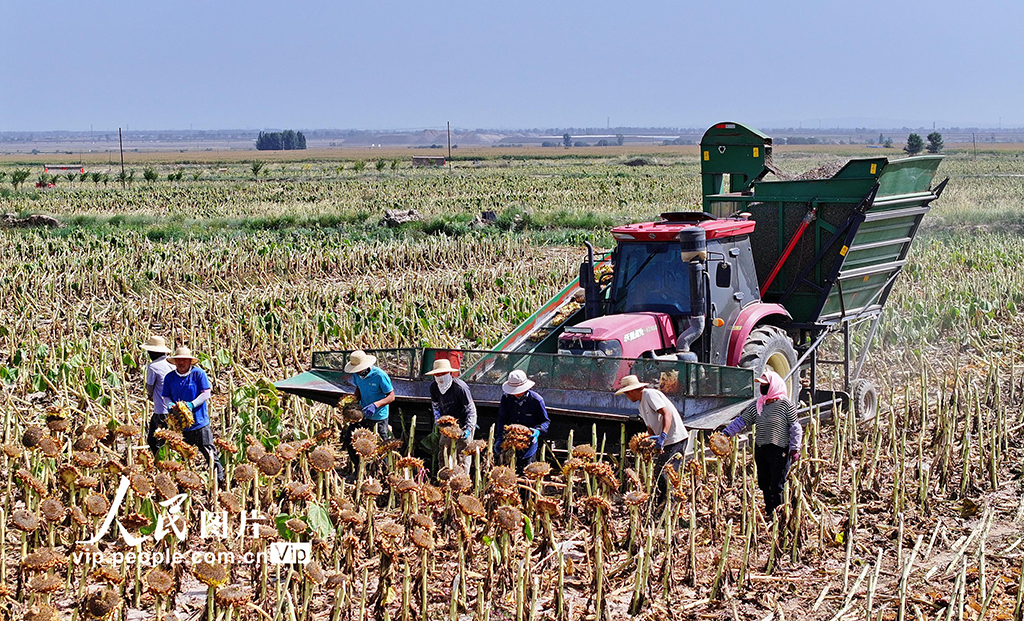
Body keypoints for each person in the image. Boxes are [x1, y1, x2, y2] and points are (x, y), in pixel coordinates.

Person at [720, 369, 801, 516]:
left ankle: (779, 514)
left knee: (777, 484)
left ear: (773, 386)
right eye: (761, 385)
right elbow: (742, 421)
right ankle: (769, 511)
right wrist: (726, 433)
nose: (762, 387)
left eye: (765, 385)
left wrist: (795, 448)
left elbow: (795, 427)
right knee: (764, 482)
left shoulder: (785, 405)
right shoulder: (757, 405)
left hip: (779, 450)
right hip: (762, 449)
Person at [616, 374, 687, 500]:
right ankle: (664, 504)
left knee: (666, 474)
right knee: (660, 473)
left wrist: (663, 435)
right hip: (666, 442)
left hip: (675, 439)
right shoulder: (641, 405)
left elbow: (667, 414)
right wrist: (649, 442)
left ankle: (671, 507)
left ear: (632, 390)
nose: (627, 397)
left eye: (627, 394)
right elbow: (650, 428)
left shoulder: (650, 395)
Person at [161, 346, 225, 486]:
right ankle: (185, 483)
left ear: (190, 361)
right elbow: (165, 396)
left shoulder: (198, 374)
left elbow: (206, 393)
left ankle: (220, 480)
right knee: (182, 455)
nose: (181, 363)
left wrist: (192, 404)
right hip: (180, 425)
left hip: (199, 422)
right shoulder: (170, 378)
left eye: (184, 360)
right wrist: (171, 405)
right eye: (178, 360)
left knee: (209, 452)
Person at [342, 350, 396, 470]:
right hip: (363, 414)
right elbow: (359, 388)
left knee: (382, 444)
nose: (357, 372)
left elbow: (391, 396)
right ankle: (359, 468)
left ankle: (385, 470)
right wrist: (354, 401)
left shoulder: (380, 376)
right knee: (350, 438)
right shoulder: (356, 375)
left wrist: (375, 405)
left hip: (378, 416)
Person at [426, 358, 477, 472]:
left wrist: (468, 428)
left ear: (449, 373)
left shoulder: (460, 388)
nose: (440, 376)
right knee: (444, 451)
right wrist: (438, 422)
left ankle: (461, 481)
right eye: (437, 374)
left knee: (462, 455)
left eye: (443, 373)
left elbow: (471, 410)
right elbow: (436, 406)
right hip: (447, 425)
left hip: (463, 424)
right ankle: (444, 480)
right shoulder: (434, 387)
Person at [494, 370, 550, 472]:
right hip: (510, 443)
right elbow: (502, 419)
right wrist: (499, 438)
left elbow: (545, 422)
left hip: (528, 445)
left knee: (527, 473)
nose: (516, 394)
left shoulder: (536, 400)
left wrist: (537, 431)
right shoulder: (506, 398)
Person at [141, 336, 174, 458]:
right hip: (175, 409)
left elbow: (149, 387)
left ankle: (160, 463)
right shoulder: (173, 364)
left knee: (154, 440)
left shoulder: (153, 367)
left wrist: (150, 395)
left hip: (161, 410)